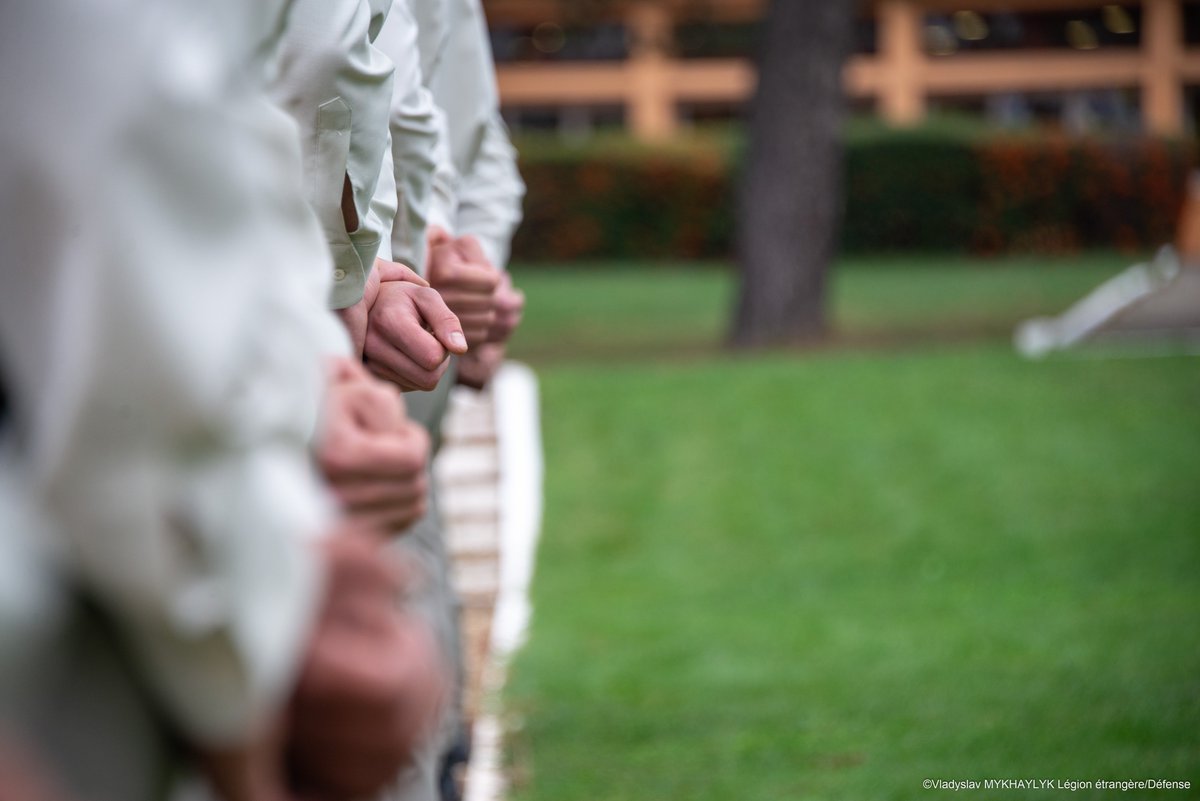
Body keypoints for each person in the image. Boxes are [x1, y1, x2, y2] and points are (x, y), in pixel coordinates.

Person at [0, 2, 443, 799]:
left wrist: (323, 352)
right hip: (73, 618)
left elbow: (241, 142)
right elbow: (123, 161)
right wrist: (248, 695)